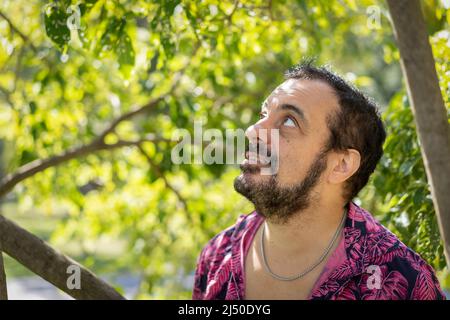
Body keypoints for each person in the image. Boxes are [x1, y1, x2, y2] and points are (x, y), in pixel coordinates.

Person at [192, 61, 446, 300]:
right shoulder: (216, 257)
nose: (252, 131)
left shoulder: (402, 282)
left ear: (341, 165)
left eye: (289, 121)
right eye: (263, 114)